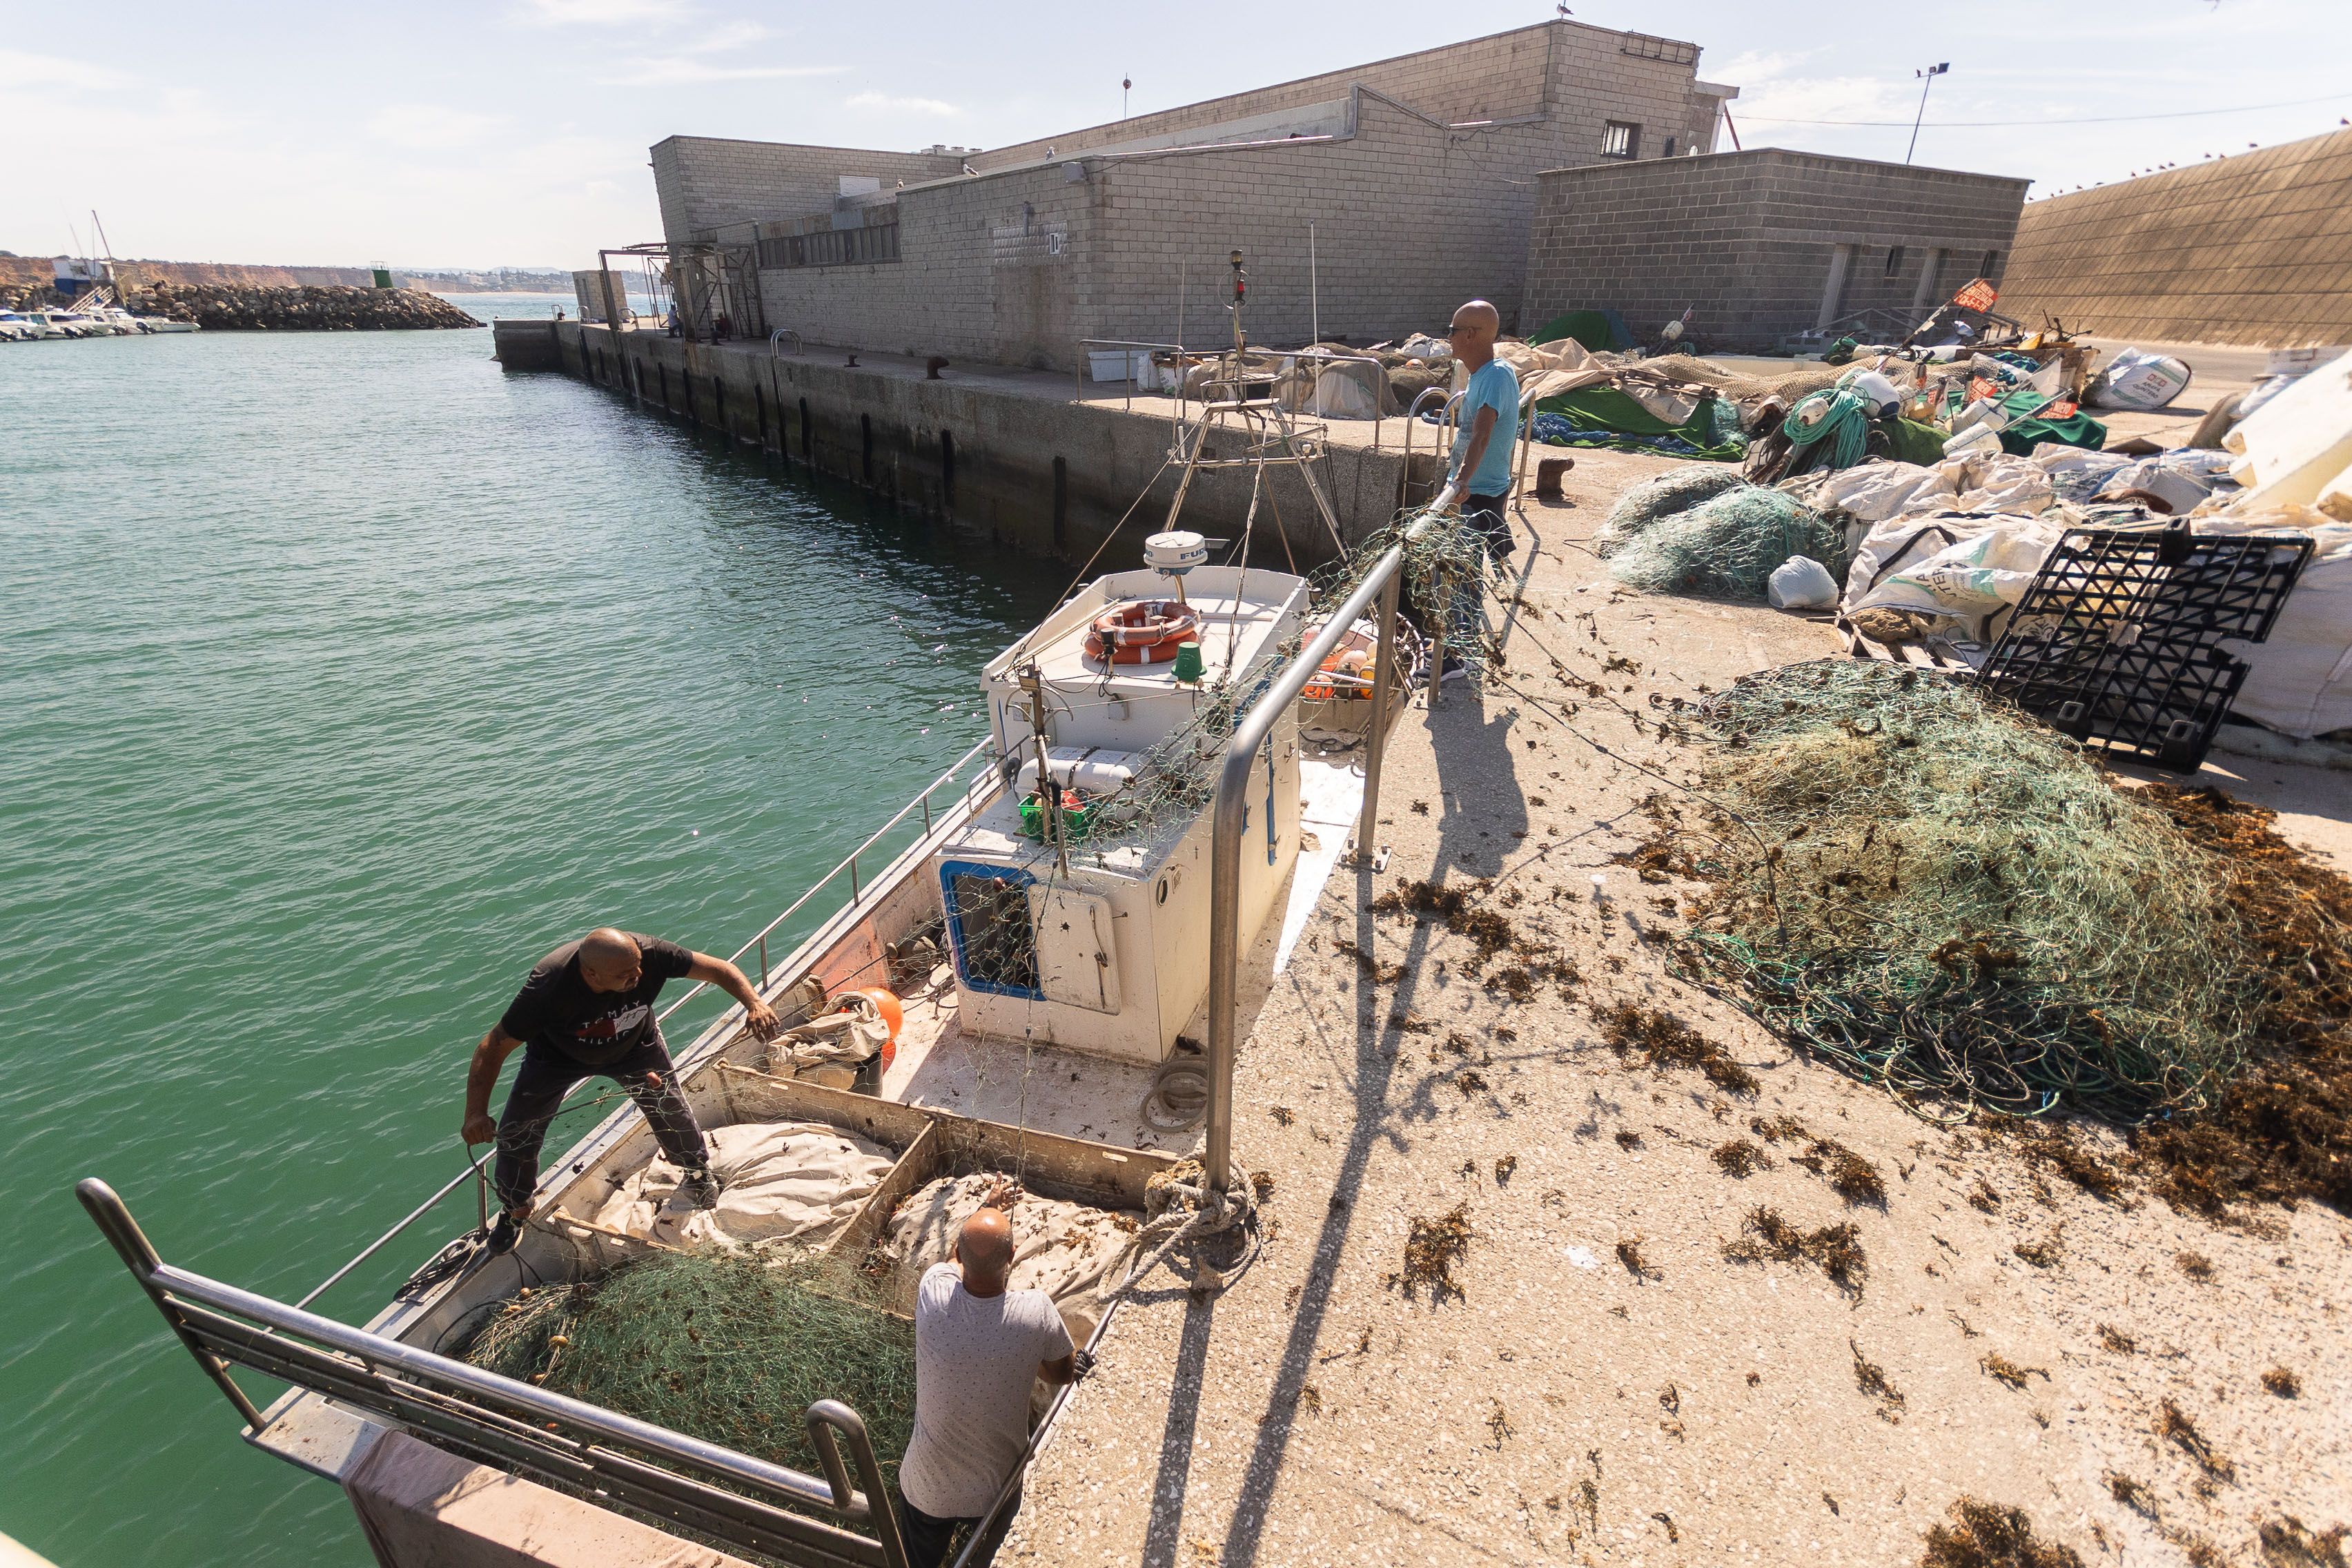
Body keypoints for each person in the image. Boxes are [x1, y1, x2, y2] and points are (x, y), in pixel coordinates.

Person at [460, 927, 779, 1255]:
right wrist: (475, 1113)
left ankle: (696, 1171)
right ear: (591, 974)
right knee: (516, 1134)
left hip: (635, 1049)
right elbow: (493, 1046)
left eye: (638, 967)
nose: (639, 976)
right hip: (555, 1060)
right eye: (626, 974)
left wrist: (754, 1003)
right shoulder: (548, 985)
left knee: (671, 1111)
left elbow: (718, 969)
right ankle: (516, 1208)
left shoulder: (650, 954)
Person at [895, 1207, 1084, 1567]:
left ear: (961, 1256)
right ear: (1012, 1257)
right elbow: (1060, 1374)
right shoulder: (1036, 1311)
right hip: (994, 1496)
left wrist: (986, 1203)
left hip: (926, 1489)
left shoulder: (933, 1289)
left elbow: (953, 1258)